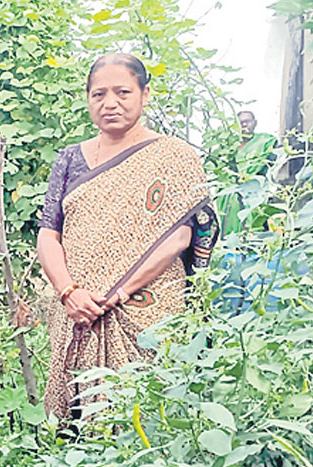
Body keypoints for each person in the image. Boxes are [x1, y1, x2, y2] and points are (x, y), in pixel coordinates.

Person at [36, 53, 218, 420]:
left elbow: (180, 237)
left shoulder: (173, 157)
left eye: (122, 92)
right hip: (76, 310)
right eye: (98, 94)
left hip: (147, 307)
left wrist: (116, 293)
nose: (110, 103)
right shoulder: (70, 159)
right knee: (76, 426)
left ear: (144, 94)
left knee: (149, 414)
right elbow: (48, 235)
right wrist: (70, 293)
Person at [219, 110, 278, 235]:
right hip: (229, 196)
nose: (244, 125)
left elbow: (263, 162)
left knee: (253, 226)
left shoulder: (264, 141)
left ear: (255, 123)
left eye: (247, 121)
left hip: (252, 192)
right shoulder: (229, 147)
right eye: (240, 123)